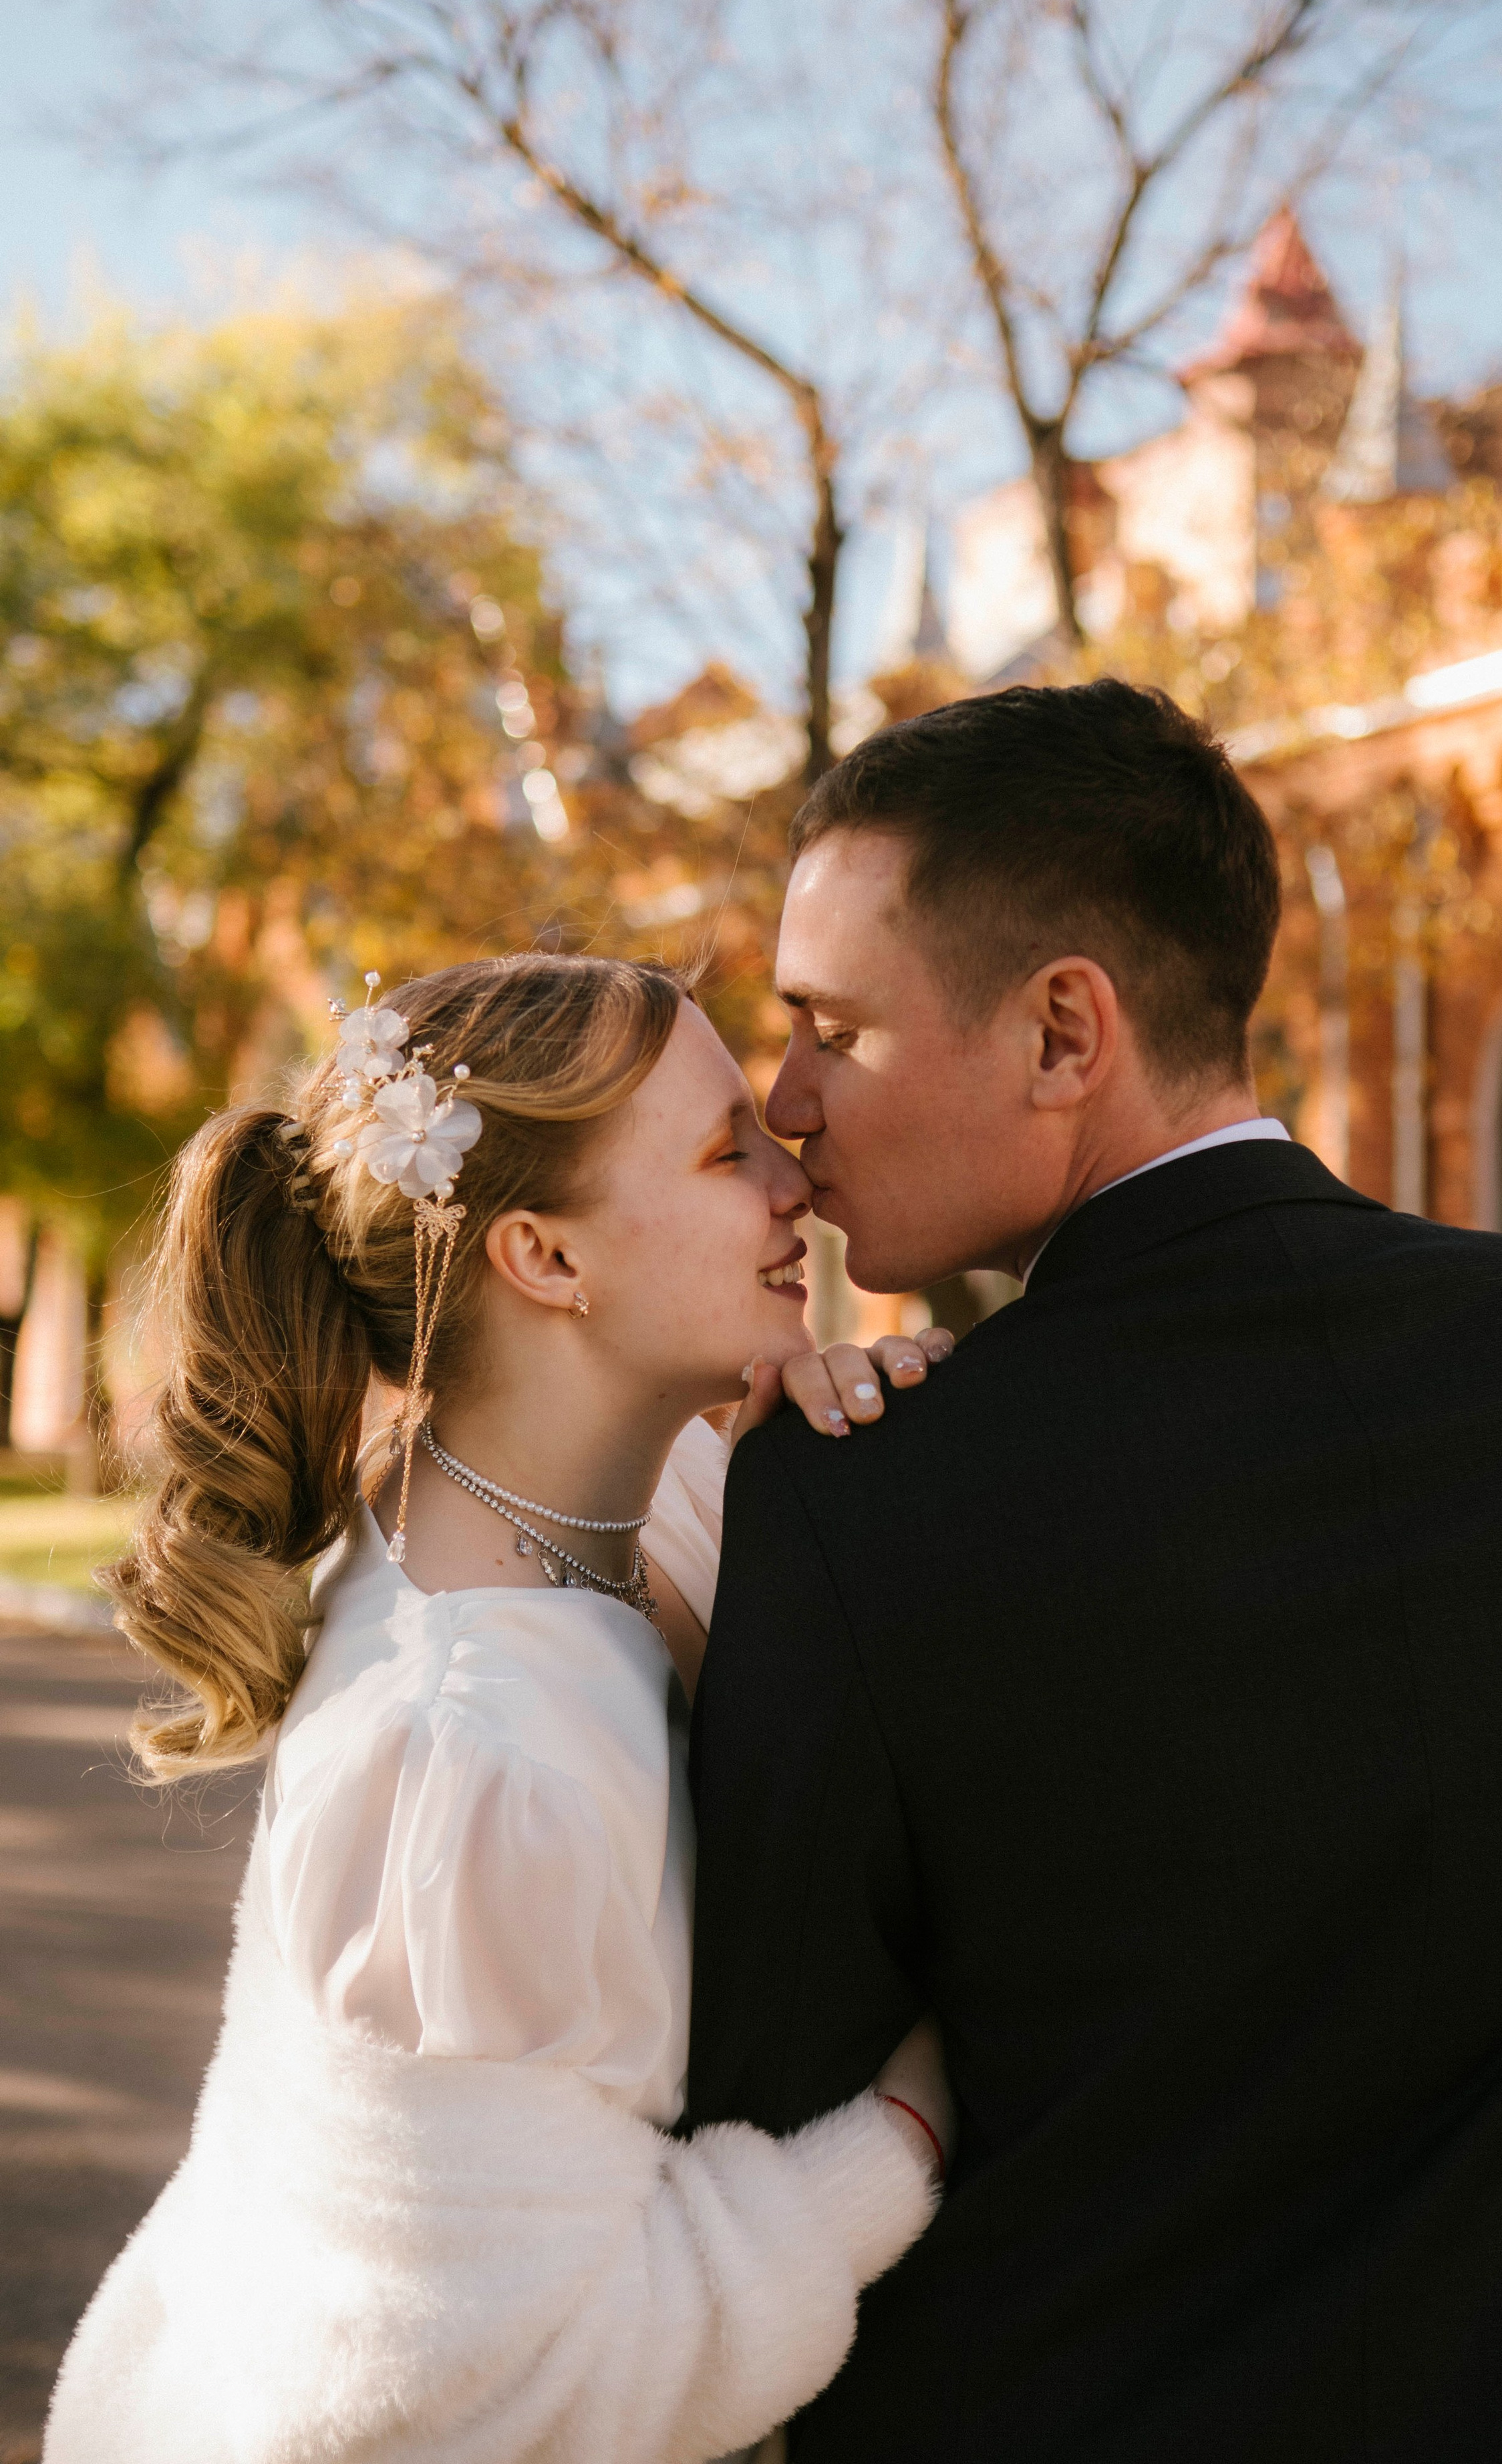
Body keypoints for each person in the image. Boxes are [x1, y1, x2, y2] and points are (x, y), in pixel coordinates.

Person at [687, 677, 1502, 2463]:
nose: (787, 1103)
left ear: (1062, 1032)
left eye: (833, 1030)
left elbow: (769, 2128)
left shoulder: (857, 1498)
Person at [45, 952, 956, 2464]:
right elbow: (490, 2391)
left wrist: (867, 1468)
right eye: (724, 1151)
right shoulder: (468, 1754)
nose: (793, 1179)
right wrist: (899, 2142)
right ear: (542, 1256)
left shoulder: (631, 1491)